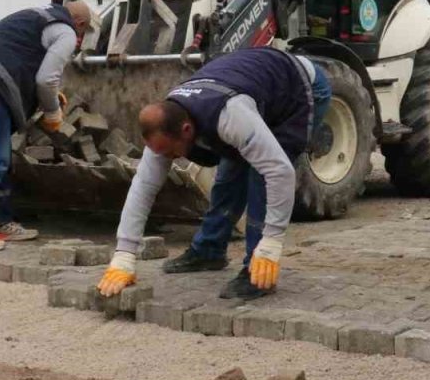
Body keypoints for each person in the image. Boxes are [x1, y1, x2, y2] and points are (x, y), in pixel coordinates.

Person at [97, 47, 331, 299]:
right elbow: (143, 186)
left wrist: (272, 241)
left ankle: (258, 267)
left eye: (169, 152)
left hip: (300, 89)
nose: (166, 158)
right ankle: (208, 251)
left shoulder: (229, 116)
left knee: (260, 176)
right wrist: (124, 255)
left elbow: (279, 172)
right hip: (253, 90)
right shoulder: (166, 123)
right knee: (229, 174)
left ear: (186, 130)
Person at [0, 1, 93, 251]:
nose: (78, 39)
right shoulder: (66, 31)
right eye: (82, 33)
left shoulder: (39, 17)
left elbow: (24, 60)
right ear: (79, 25)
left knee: (0, 153)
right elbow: (46, 79)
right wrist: (52, 112)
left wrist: (51, 95)